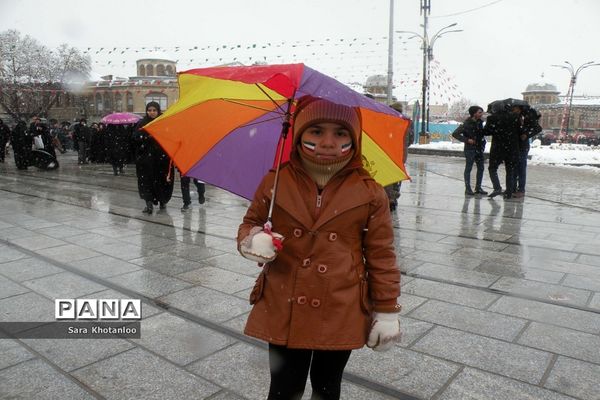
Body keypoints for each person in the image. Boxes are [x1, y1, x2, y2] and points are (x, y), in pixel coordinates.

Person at [237, 96, 401, 400]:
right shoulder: (275, 181)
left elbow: (381, 255)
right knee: (284, 388)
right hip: (284, 300)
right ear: (299, 134)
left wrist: (387, 309)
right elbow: (250, 223)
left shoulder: (370, 191)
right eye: (316, 131)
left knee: (327, 388)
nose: (327, 141)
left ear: (353, 138)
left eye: (340, 133)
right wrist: (254, 239)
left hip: (341, 304)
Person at [132, 101, 174, 214]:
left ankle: (162, 201)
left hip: (162, 159)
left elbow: (170, 136)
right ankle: (148, 203)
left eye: (154, 110)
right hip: (146, 160)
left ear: (158, 111)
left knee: (162, 181)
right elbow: (135, 137)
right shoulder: (142, 123)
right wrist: (146, 137)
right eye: (149, 110)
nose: (151, 112)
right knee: (146, 181)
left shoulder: (164, 121)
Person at [485, 104, 522, 199]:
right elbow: (519, 130)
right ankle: (509, 192)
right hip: (512, 147)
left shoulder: (492, 118)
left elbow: (487, 131)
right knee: (510, 170)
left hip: (498, 147)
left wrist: (495, 130)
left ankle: (497, 188)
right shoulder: (515, 117)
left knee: (492, 168)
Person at [452, 105, 488, 195]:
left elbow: (482, 134)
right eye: (479, 112)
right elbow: (455, 134)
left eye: (481, 113)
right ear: (474, 113)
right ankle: (468, 189)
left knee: (481, 168)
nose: (481, 114)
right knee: (469, 168)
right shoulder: (466, 124)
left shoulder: (480, 123)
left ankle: (478, 187)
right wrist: (467, 140)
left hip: (479, 148)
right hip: (470, 149)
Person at [513, 107, 542, 197]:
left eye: (515, 108)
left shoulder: (527, 116)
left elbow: (538, 128)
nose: (513, 110)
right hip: (513, 145)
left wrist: (526, 134)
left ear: (519, 108)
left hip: (522, 146)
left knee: (521, 167)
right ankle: (512, 188)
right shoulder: (514, 117)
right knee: (513, 167)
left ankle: (521, 189)